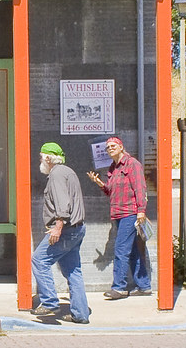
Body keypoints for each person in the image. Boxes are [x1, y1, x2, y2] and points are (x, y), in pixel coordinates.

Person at [31, 142, 91, 324]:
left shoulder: (56, 174)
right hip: (77, 229)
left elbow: (63, 203)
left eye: (41, 157)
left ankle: (49, 302)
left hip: (65, 230)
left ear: (48, 158)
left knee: (39, 260)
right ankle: (80, 314)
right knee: (73, 271)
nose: (40, 161)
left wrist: (57, 227)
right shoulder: (68, 172)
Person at [87, 135, 151, 299]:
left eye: (113, 146)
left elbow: (140, 188)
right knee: (133, 251)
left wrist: (141, 210)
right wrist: (100, 183)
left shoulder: (132, 164)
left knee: (121, 249)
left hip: (130, 213)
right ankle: (144, 286)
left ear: (121, 147)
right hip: (118, 214)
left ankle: (119, 287)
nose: (110, 149)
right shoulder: (113, 168)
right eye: (108, 147)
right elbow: (111, 191)